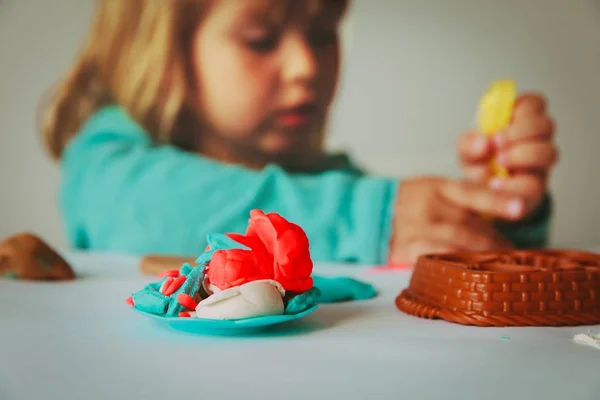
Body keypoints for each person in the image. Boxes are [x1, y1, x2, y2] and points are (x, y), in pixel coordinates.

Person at [40, 0, 558, 265]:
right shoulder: (112, 153)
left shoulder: (326, 178)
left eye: (322, 32)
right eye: (261, 39)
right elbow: (128, 208)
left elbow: (419, 243)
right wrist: (372, 219)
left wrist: (499, 214)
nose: (306, 66)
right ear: (164, 51)